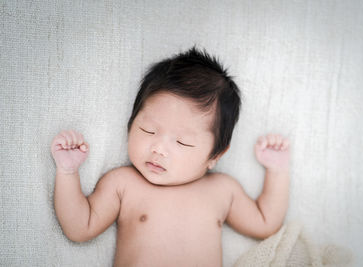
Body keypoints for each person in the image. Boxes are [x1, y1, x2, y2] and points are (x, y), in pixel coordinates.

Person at [50, 47, 290, 266]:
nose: (159, 148)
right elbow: (79, 228)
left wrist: (276, 171)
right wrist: (68, 172)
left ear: (215, 155)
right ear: (131, 124)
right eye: (148, 130)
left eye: (182, 142)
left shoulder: (223, 190)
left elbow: (265, 223)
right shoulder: (122, 184)